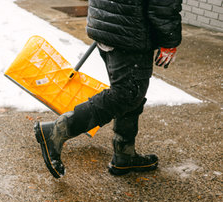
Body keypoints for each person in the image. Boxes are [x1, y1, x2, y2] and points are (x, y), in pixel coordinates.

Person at [34, 0, 182, 178]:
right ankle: (57, 131)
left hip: (112, 22)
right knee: (126, 94)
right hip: (130, 29)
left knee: (130, 92)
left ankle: (124, 154)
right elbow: (162, 4)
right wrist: (169, 39)